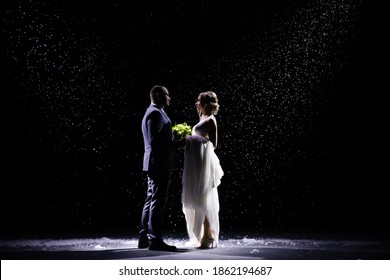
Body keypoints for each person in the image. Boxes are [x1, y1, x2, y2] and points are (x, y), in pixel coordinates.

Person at [138, 85, 184, 251]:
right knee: (157, 202)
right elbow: (155, 142)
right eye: (167, 95)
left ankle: (144, 237)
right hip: (158, 164)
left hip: (154, 163)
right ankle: (155, 240)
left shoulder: (153, 112)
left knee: (151, 200)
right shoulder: (155, 113)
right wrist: (177, 144)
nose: (169, 98)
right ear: (158, 95)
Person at [182, 91, 224, 249]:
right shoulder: (202, 118)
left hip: (205, 164)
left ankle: (209, 236)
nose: (196, 103)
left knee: (204, 199)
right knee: (197, 198)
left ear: (206, 103)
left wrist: (194, 140)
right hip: (196, 163)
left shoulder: (211, 120)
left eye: (199, 100)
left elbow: (213, 144)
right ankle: (202, 235)